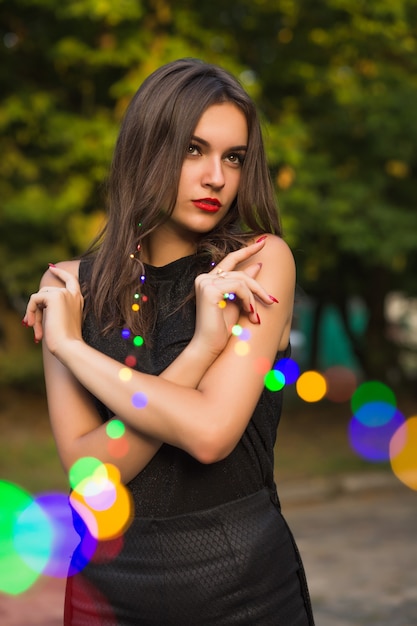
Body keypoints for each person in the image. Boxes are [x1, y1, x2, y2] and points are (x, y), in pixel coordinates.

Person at [24, 58, 315, 625]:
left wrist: (73, 350)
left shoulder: (256, 266)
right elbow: (90, 472)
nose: (216, 178)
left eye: (233, 157)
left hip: (239, 587)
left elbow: (209, 434)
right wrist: (201, 354)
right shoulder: (68, 287)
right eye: (192, 150)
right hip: (105, 593)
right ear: (146, 150)